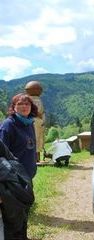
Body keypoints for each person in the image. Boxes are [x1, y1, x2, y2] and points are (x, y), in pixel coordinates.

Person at [0, 93, 38, 240]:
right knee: (13, 218)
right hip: (12, 181)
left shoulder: (29, 123)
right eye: (20, 104)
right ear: (13, 107)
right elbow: (2, 154)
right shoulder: (8, 125)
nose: (24, 106)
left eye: (27, 104)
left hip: (26, 178)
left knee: (24, 213)